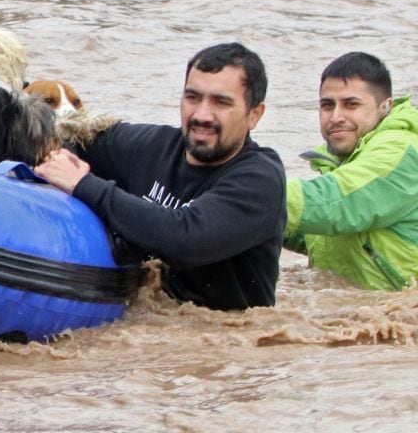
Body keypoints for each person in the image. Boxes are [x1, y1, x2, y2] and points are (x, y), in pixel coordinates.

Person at [33, 42, 286, 311]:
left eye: (221, 102)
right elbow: (74, 140)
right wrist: (59, 158)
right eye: (192, 97)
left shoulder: (260, 179)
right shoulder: (152, 145)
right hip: (141, 316)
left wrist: (84, 185)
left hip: (224, 333)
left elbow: (185, 240)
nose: (201, 115)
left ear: (254, 115)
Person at [284, 52, 418, 290]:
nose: (336, 117)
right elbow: (319, 234)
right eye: (327, 105)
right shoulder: (345, 160)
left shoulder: (401, 152)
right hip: (354, 314)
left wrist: (245, 197)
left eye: (351, 104)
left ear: (385, 107)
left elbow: (335, 203)